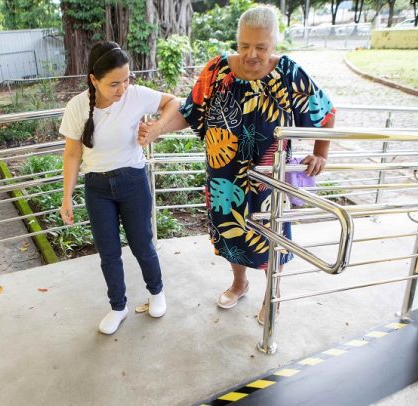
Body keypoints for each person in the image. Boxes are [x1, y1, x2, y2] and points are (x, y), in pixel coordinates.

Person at [138, 6, 335, 324]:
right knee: (231, 235)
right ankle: (239, 283)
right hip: (224, 177)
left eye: (261, 47)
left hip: (271, 179)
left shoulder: (289, 73)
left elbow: (326, 113)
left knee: (272, 237)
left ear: (274, 44)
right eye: (245, 46)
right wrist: (159, 128)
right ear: (237, 41)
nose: (251, 54)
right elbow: (189, 112)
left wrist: (320, 153)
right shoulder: (217, 71)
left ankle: (273, 295)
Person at [60, 41, 180, 335]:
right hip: (97, 188)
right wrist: (67, 197)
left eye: (127, 79)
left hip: (133, 181)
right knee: (109, 253)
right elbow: (73, 154)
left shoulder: (136, 95)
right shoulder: (77, 107)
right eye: (114, 83)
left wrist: (157, 128)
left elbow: (173, 102)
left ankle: (156, 292)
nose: (122, 88)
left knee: (142, 244)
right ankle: (118, 306)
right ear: (93, 80)